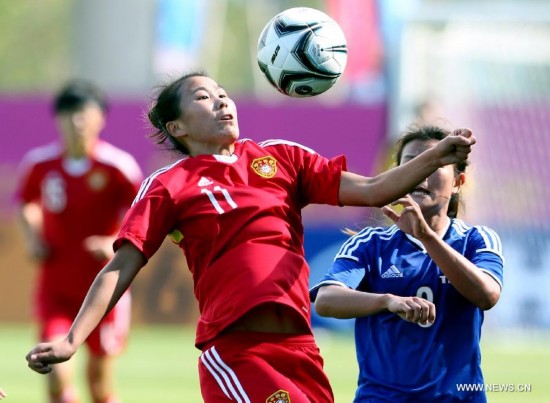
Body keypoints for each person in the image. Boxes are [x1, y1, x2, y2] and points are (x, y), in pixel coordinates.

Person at [25, 72, 476, 402]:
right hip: (238, 352)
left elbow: (375, 189)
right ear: (176, 128)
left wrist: (435, 156)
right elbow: (121, 264)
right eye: (204, 97)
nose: (222, 101)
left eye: (224, 93)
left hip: (300, 349)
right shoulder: (169, 184)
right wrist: (72, 339)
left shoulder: (282, 158)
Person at [311, 124, 503, 402]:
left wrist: (426, 237)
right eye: (411, 164)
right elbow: (326, 300)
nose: (421, 174)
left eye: (435, 164)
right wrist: (387, 301)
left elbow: (487, 295)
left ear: (459, 182)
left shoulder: (477, 239)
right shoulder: (370, 243)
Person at [16, 80, 143, 403]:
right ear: (57, 119)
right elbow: (26, 202)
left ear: (100, 118)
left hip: (103, 289)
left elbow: (143, 215)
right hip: (57, 288)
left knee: (99, 383)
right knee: (55, 372)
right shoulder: (39, 164)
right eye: (69, 114)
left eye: (85, 114)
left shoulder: (117, 166)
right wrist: (33, 237)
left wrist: (114, 241)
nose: (77, 122)